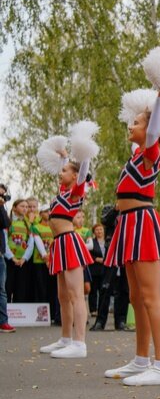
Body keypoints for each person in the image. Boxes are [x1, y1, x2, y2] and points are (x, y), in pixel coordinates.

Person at [103, 89, 160, 386]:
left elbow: (155, 129)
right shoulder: (134, 157)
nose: (130, 126)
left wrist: (159, 98)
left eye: (137, 122)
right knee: (135, 297)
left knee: (150, 297)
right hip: (127, 224)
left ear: (150, 130)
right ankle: (141, 359)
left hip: (143, 224)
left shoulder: (150, 152)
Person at [37, 141, 95, 359]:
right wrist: (63, 157)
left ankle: (80, 343)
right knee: (62, 296)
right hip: (59, 243)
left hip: (69, 242)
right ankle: (65, 338)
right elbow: (65, 176)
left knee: (76, 295)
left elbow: (83, 169)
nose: (60, 174)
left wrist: (84, 150)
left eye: (64, 171)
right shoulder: (62, 192)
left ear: (75, 175)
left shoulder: (76, 192)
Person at [6, 199, 34, 304]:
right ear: (14, 208)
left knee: (21, 288)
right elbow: (4, 241)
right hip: (9, 260)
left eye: (26, 207)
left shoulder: (28, 224)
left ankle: (20, 317)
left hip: (22, 261)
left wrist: (24, 258)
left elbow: (31, 244)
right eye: (22, 206)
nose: (25, 209)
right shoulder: (8, 221)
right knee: (7, 286)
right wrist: (12, 257)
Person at [0, 183, 15, 332]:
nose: (1, 197)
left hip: (0, 255)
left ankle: (3, 321)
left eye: (3, 195)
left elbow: (7, 223)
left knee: (2, 290)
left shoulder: (1, 209)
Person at [85, 224, 106, 317]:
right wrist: (95, 259)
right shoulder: (91, 242)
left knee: (103, 290)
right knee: (93, 290)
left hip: (105, 269)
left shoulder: (108, 241)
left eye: (101, 229)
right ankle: (93, 310)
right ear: (94, 232)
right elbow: (87, 253)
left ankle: (102, 309)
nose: (99, 231)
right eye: (97, 230)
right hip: (94, 269)